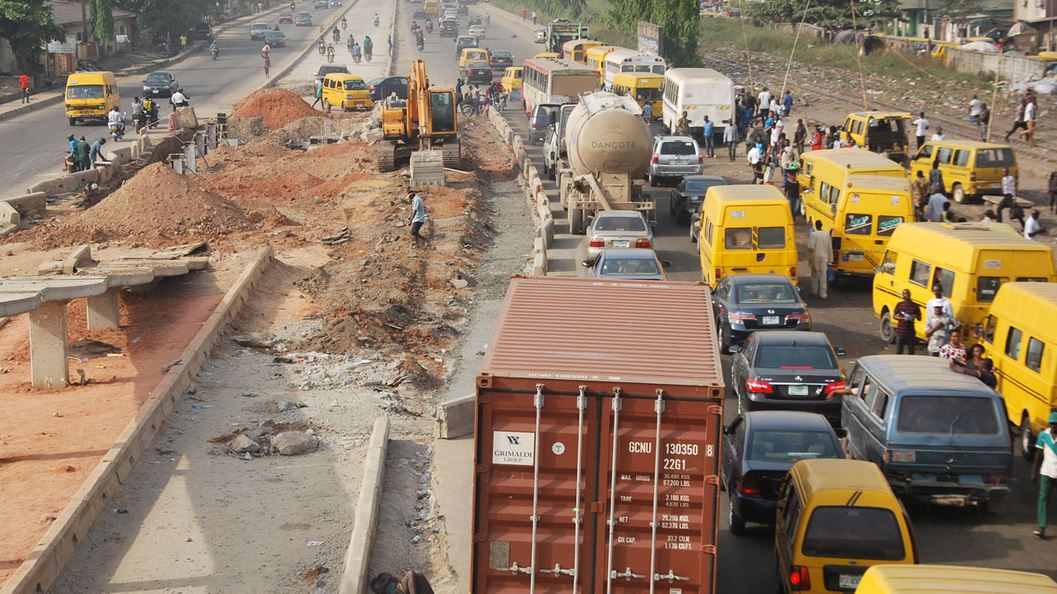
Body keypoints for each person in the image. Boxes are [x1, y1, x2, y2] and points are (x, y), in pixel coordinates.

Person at [1031, 412, 1057, 539]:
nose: (1054, 427)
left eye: (1056, 424)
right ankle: (1042, 528)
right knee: (1043, 499)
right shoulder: (1043, 435)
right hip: (1046, 472)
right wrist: (1034, 471)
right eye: (1052, 424)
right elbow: (1038, 454)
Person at [808, 220, 832, 299]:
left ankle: (814, 291)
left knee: (814, 275)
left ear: (816, 225)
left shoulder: (813, 235)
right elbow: (829, 248)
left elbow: (810, 247)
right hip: (824, 257)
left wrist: (810, 258)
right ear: (821, 225)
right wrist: (830, 259)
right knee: (823, 276)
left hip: (815, 257)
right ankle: (823, 294)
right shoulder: (826, 235)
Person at [892, 289, 921, 355]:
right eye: (904, 293)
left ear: (910, 294)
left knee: (911, 352)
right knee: (899, 352)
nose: (906, 295)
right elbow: (894, 316)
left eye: (907, 293)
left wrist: (915, 316)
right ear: (903, 295)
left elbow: (920, 318)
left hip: (910, 333)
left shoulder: (915, 305)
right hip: (900, 332)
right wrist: (902, 318)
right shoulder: (899, 304)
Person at [370, 571, 435, 594]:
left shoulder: (384, 576)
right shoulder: (378, 587)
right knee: (411, 574)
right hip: (397, 592)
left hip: (400, 588)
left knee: (419, 575)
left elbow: (396, 580)